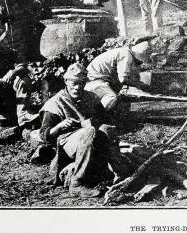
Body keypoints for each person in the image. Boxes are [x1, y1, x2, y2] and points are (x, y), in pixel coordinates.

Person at [39, 63, 126, 198]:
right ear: (66, 81)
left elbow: (105, 119)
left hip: (89, 139)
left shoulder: (91, 98)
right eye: (74, 83)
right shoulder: (55, 102)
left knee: (107, 129)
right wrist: (60, 126)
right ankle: (77, 183)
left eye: (81, 83)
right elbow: (44, 135)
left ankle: (120, 174)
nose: (77, 87)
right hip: (67, 141)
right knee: (89, 131)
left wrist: (87, 123)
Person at [85, 39, 153, 114]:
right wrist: (139, 84)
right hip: (92, 79)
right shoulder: (126, 56)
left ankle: (109, 111)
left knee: (117, 87)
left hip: (98, 77)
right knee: (111, 97)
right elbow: (123, 79)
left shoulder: (125, 52)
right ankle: (99, 116)